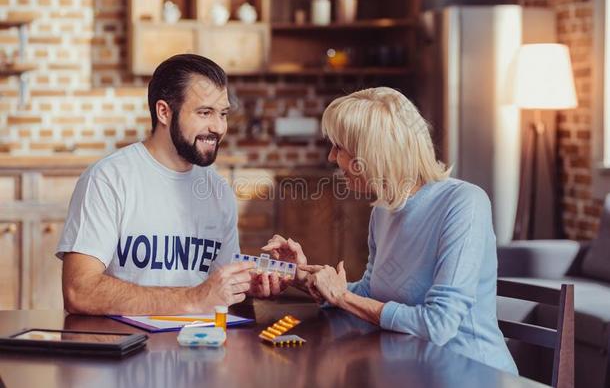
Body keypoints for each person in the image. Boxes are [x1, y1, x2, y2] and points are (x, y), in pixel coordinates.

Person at [263, 87, 518, 374]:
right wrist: (301, 275)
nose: (332, 157)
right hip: (409, 369)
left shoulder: (464, 203)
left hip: (468, 373)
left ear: (372, 153)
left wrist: (341, 296)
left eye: (339, 147)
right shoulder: (383, 209)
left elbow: (438, 325)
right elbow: (371, 293)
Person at [58, 54, 285, 315]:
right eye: (204, 113)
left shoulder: (218, 190)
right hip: (127, 348)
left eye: (223, 114)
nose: (219, 127)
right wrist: (192, 298)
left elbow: (219, 291)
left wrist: (252, 285)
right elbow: (79, 291)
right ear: (164, 112)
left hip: (202, 346)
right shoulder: (108, 179)